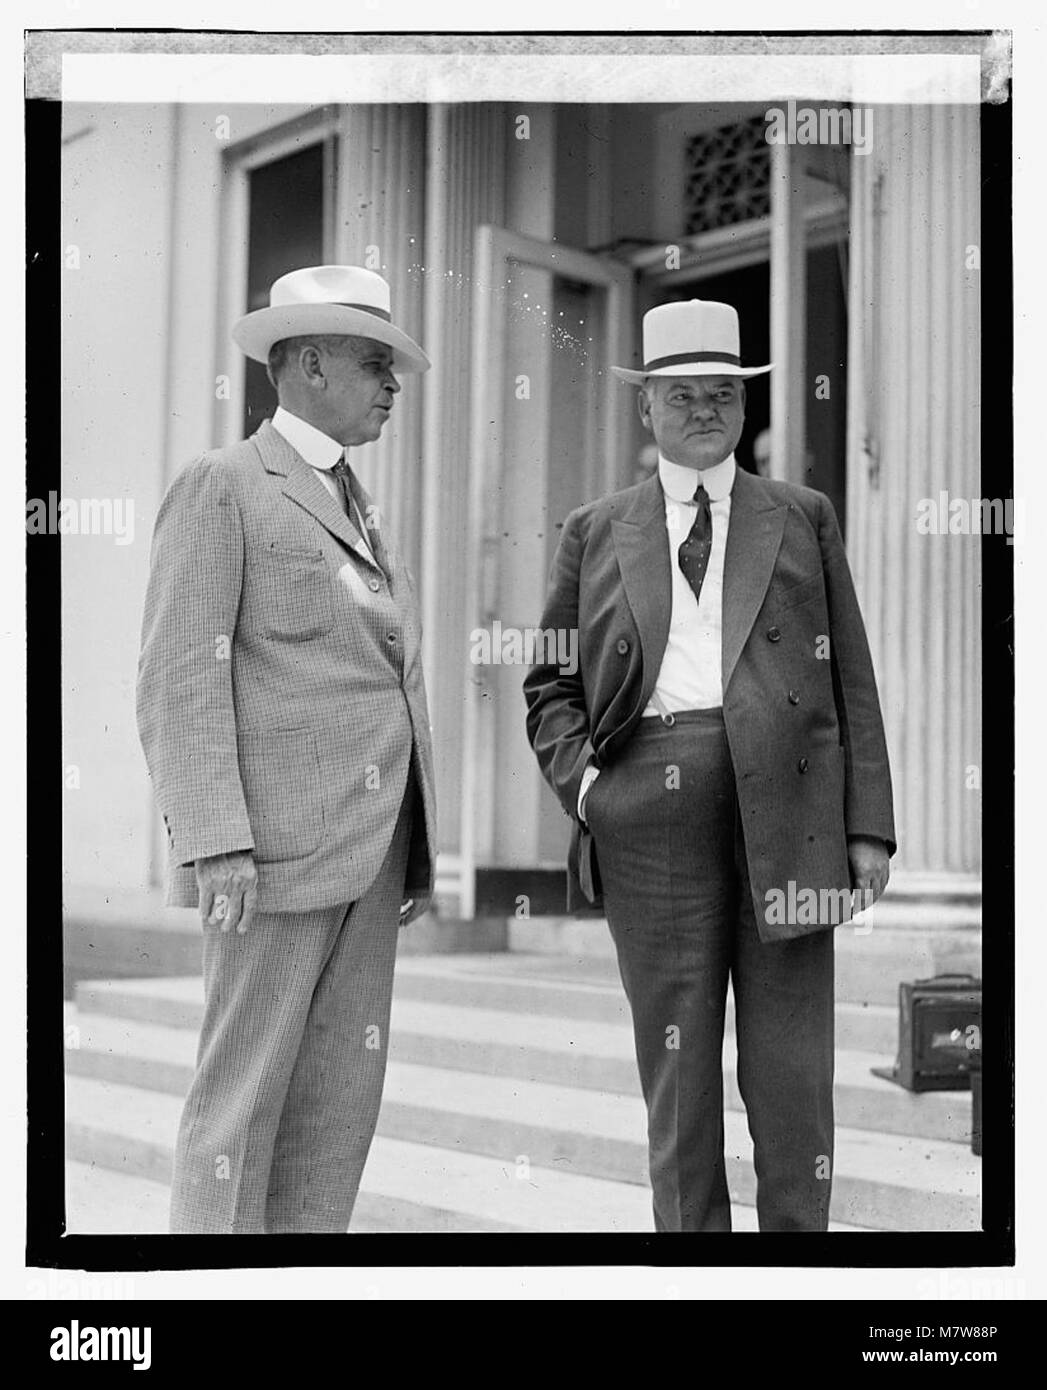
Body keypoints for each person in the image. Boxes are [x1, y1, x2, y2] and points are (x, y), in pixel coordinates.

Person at [523, 299, 895, 1232]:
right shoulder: (595, 529)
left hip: (791, 812)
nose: (702, 410)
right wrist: (594, 793)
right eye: (680, 394)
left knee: (791, 1072)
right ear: (644, 408)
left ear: (743, 407)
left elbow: (850, 673)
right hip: (649, 807)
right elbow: (548, 685)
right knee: (678, 1077)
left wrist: (865, 827)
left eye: (720, 393)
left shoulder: (802, 515)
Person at [137, 264, 437, 1234]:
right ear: (306, 364)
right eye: (375, 362)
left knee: (337, 1103)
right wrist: (215, 838)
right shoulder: (225, 485)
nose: (394, 385)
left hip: (369, 848)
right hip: (267, 855)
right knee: (241, 1100)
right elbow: (179, 675)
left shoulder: (353, 498)